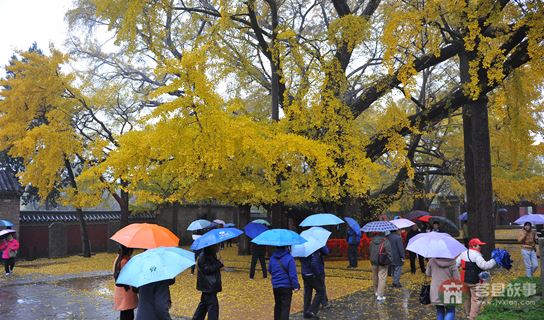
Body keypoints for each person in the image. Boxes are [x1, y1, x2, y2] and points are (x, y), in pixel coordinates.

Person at [456, 238, 497, 320]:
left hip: (463, 279)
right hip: (474, 280)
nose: (480, 247)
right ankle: (472, 317)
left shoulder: (463, 253)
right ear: (474, 246)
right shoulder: (477, 255)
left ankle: (468, 314)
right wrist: (495, 260)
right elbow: (485, 266)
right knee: (476, 299)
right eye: (479, 245)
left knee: (466, 297)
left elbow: (456, 264)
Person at [193, 244, 224, 320]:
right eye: (217, 245)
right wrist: (219, 263)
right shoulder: (203, 256)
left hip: (209, 286)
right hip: (208, 286)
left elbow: (212, 266)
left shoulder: (210, 254)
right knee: (213, 307)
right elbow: (207, 270)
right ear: (212, 246)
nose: (218, 247)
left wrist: (218, 262)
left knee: (203, 305)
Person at [268, 246, 300, 320]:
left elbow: (270, 270)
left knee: (278, 305)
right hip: (286, 286)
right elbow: (293, 275)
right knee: (285, 307)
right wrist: (295, 286)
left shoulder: (272, 258)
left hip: (275, 286)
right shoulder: (289, 258)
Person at [300, 246, 329, 319]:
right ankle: (311, 311)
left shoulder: (302, 246)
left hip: (305, 273)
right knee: (320, 291)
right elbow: (325, 252)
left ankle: (306, 313)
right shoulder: (314, 247)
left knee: (307, 293)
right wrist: (317, 274)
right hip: (313, 274)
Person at [113, 245, 139, 320]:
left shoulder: (119, 259)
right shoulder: (124, 261)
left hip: (122, 291)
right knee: (128, 314)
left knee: (125, 312)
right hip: (126, 292)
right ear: (128, 251)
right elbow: (130, 276)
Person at [369, 232, 392, 301]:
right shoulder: (386, 241)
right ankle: (380, 295)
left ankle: (376, 291)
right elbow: (389, 252)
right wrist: (390, 261)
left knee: (375, 276)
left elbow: (369, 251)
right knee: (382, 277)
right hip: (383, 262)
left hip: (373, 262)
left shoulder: (372, 241)